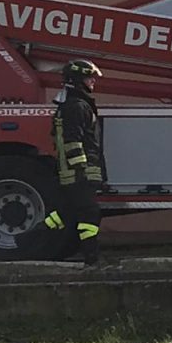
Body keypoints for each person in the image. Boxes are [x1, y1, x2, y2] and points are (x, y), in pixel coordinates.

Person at [43, 59, 105, 265]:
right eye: (89, 77)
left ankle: (29, 238)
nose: (93, 81)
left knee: (67, 213)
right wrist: (81, 171)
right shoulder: (77, 106)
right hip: (79, 173)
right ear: (78, 80)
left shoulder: (72, 104)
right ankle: (92, 258)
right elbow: (73, 142)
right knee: (89, 214)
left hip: (75, 173)